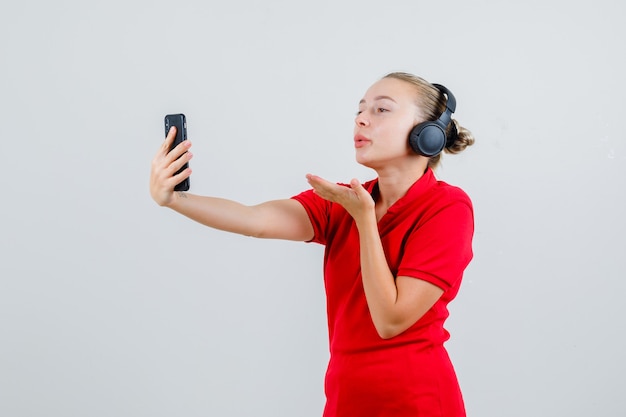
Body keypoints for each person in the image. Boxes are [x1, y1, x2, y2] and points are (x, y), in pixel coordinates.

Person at [150, 72, 475, 417]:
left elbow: (390, 320)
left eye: (382, 110)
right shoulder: (345, 202)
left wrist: (363, 219)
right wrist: (174, 200)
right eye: (360, 109)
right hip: (345, 401)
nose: (361, 118)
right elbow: (255, 220)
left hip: (417, 403)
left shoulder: (447, 208)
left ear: (427, 134)